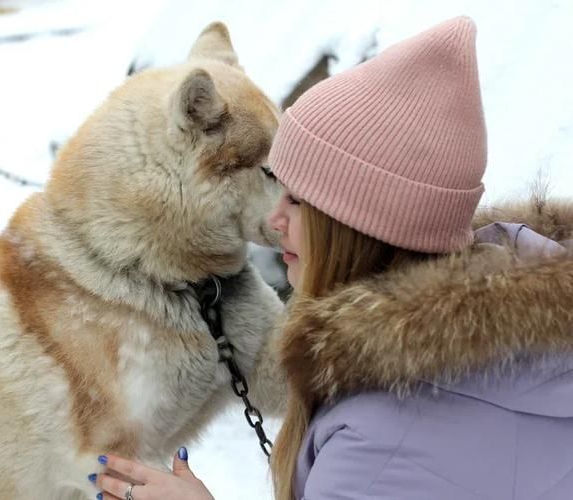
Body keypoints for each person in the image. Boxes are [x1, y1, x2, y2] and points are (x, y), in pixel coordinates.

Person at [90, 16, 573, 500]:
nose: (275, 220)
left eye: (297, 200)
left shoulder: (381, 438)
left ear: (357, 223)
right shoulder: (529, 349)